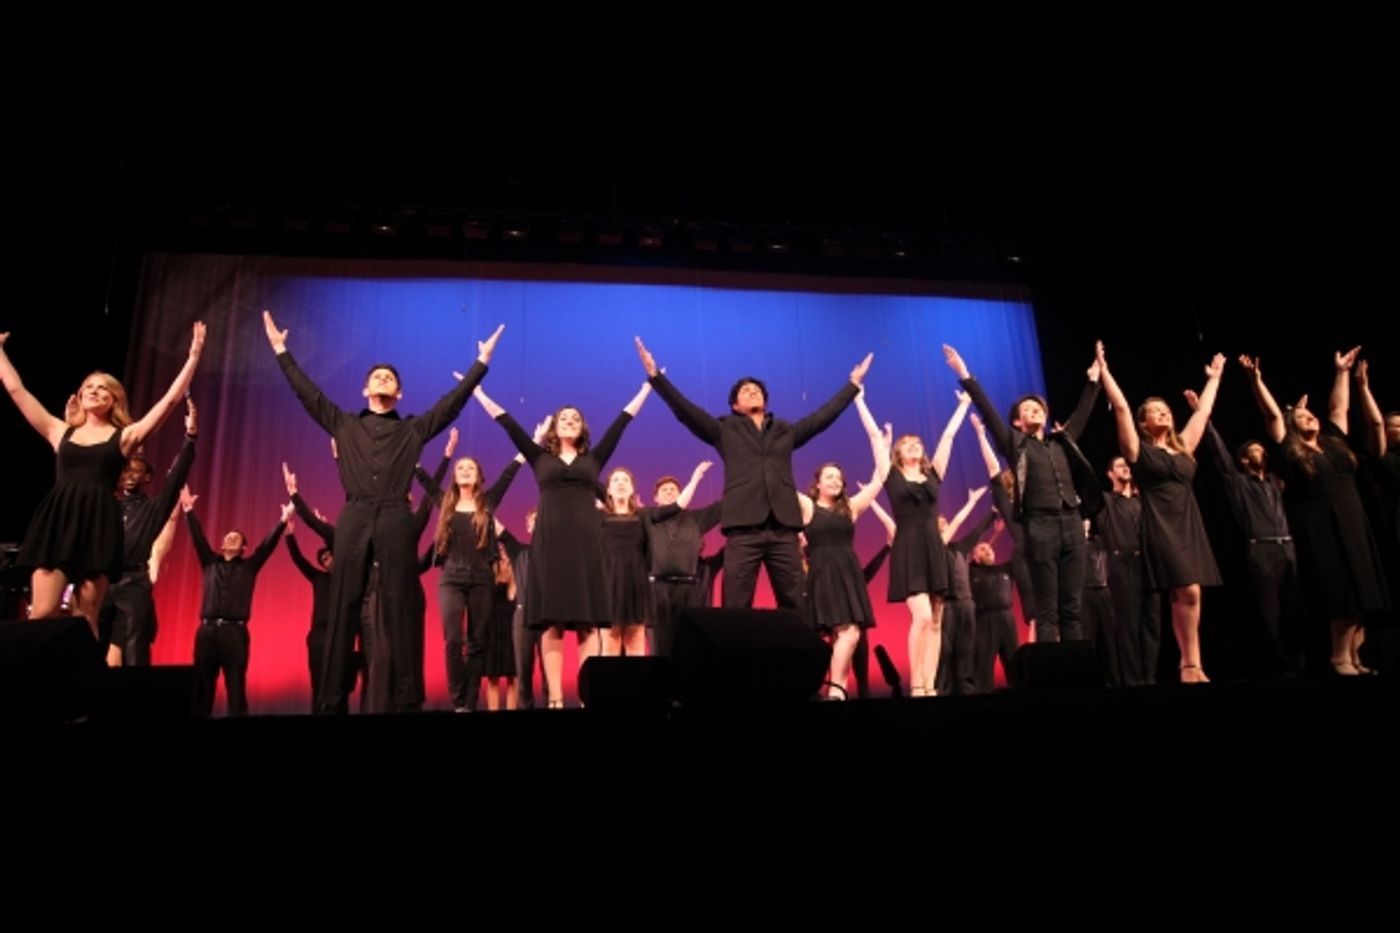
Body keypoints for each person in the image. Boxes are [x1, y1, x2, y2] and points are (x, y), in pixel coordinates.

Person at [263, 310, 502, 713]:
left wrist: (481, 364)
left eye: (391, 378)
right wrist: (281, 351)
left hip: (394, 514)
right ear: (364, 389)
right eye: (377, 376)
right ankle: (331, 697)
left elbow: (449, 406)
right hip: (354, 513)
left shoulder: (411, 429)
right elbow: (308, 393)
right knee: (344, 602)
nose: (383, 380)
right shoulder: (343, 423)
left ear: (400, 394)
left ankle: (408, 696)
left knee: (400, 603)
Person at [635, 335, 872, 610]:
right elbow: (686, 412)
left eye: (756, 389)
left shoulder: (784, 431)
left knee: (796, 604)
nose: (752, 391)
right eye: (745, 391)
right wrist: (656, 377)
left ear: (766, 401)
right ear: (735, 405)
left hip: (784, 530)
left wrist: (852, 385)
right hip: (743, 530)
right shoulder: (725, 429)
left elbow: (821, 419)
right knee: (736, 605)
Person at [2, 323, 206, 636]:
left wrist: (193, 356)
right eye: (88, 387)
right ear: (80, 396)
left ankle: (82, 682)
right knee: (42, 612)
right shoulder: (60, 432)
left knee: (85, 619)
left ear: (114, 400)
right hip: (59, 518)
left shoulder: (124, 437)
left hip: (98, 523)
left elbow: (169, 401)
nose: (94, 391)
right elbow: (17, 391)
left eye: (102, 388)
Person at [473, 380, 652, 708]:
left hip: (586, 545)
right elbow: (506, 422)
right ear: (554, 427)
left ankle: (587, 696)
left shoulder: (593, 459)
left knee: (586, 623)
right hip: (551, 545)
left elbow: (623, 420)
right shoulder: (539, 457)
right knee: (551, 621)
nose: (569, 420)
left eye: (575, 417)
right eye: (564, 417)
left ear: (583, 427)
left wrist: (648, 385)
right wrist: (479, 391)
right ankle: (555, 698)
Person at [1240, 350, 1390, 675]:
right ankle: (1339, 657)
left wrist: (1341, 373)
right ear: (1292, 425)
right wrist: (1256, 380)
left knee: (1360, 584)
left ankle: (1355, 655)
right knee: (1340, 586)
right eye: (1302, 417)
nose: (1310, 418)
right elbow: (1272, 417)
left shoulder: (1334, 442)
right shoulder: (1289, 449)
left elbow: (1339, 407)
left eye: (1311, 416)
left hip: (1352, 517)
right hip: (1319, 522)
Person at [944, 343, 1102, 644]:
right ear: (1017, 422)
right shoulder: (1014, 444)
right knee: (1047, 610)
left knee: (1072, 607)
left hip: (1071, 521)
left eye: (1039, 408)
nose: (1035, 411)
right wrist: (964, 373)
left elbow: (1082, 415)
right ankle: (1053, 677)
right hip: (1040, 526)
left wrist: (1093, 382)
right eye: (1027, 409)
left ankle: (1078, 676)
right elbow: (987, 410)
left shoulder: (1061, 443)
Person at [1096, 342, 1224, 682]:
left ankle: (1190, 663)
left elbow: (1202, 414)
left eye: (1165, 409)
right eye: (1154, 410)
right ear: (1144, 421)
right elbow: (1121, 408)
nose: (1163, 412)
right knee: (1185, 590)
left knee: (1192, 592)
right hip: (1160, 523)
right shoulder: (1137, 450)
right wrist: (1104, 370)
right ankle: (1188, 664)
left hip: (1188, 522)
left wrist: (1214, 378)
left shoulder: (1184, 446)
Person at [794, 388, 890, 698]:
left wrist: (880, 444)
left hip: (848, 572)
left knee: (848, 634)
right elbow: (779, 482)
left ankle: (837, 691)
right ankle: (835, 689)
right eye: (829, 477)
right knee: (843, 633)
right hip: (822, 571)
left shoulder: (852, 507)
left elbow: (881, 477)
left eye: (839, 477)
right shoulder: (808, 506)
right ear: (817, 482)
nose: (835, 481)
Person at [99, 398, 199, 666]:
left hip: (133, 584)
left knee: (135, 654)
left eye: (137, 470)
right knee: (94, 651)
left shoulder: (153, 509)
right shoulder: (106, 503)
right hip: (101, 583)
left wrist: (190, 438)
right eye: (126, 469)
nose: (130, 474)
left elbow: (176, 477)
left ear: (147, 477)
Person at [885, 391, 971, 697]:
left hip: (934, 550)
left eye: (918, 444)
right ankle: (916, 684)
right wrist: (859, 399)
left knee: (936, 621)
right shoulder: (892, 476)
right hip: (909, 549)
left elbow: (947, 436)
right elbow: (873, 439)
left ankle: (930, 685)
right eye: (907, 444)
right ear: (897, 452)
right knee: (921, 616)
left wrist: (963, 405)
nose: (914, 447)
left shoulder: (933, 475)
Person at [180, 485, 291, 716]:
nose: (230, 538)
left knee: (236, 688)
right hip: (207, 631)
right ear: (221, 544)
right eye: (228, 536)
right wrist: (188, 509)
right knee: (202, 688)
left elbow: (267, 546)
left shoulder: (250, 566)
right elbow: (198, 538)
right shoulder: (210, 562)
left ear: (243, 548)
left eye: (236, 537)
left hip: (235, 634)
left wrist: (283, 521)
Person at [641, 463, 719, 658]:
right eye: (664, 490)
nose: (669, 492)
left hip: (689, 590)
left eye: (673, 489)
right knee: (659, 647)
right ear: (656, 498)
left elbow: (724, 506)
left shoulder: (696, 518)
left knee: (689, 646)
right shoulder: (648, 518)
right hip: (657, 590)